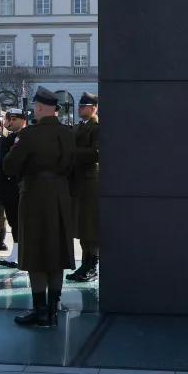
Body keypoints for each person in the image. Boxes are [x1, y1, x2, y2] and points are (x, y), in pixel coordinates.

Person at [1, 86, 77, 328]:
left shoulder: (30, 134)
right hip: (60, 193)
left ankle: (40, 309)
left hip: (34, 194)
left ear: (41, 107)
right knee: (56, 253)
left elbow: (9, 166)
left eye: (35, 105)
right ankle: (53, 310)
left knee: (35, 252)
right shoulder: (67, 133)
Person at [68, 92, 101, 283]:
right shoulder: (79, 127)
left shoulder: (96, 127)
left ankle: (93, 264)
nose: (79, 108)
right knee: (81, 225)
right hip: (79, 181)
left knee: (91, 226)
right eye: (79, 106)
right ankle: (85, 263)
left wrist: (73, 153)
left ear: (93, 108)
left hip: (91, 181)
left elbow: (96, 152)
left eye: (83, 106)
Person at [0, 110, 27, 268]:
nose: (11, 122)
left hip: (19, 186)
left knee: (21, 222)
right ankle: (16, 252)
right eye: (10, 119)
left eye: (14, 119)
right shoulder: (8, 138)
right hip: (8, 188)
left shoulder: (25, 137)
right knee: (14, 221)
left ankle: (21, 253)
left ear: (23, 120)